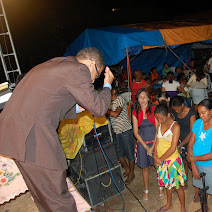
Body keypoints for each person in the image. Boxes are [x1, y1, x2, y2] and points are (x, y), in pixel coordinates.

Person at [0, 47, 114, 212]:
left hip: (15, 134)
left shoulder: (58, 63)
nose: (91, 82)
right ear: (91, 64)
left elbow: (47, 101)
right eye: (96, 75)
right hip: (32, 137)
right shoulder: (78, 69)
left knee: (45, 196)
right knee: (59, 201)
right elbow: (99, 107)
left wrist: (75, 108)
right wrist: (107, 85)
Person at [187, 99, 212, 212]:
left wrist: (192, 159)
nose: (201, 115)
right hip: (197, 164)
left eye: (203, 112)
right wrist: (193, 166)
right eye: (199, 113)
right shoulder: (198, 123)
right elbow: (190, 145)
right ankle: (204, 208)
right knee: (202, 190)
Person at [132, 88, 165, 200]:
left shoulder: (154, 109)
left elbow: (158, 129)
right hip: (143, 145)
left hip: (155, 142)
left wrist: (154, 146)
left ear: (149, 98)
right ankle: (146, 190)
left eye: (145, 97)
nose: (143, 99)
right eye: (140, 97)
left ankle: (161, 187)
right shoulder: (135, 112)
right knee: (145, 168)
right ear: (137, 99)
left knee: (158, 166)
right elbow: (136, 132)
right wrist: (146, 147)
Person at [154, 103, 187, 212]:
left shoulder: (175, 126)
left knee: (177, 186)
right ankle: (168, 204)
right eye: (157, 118)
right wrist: (155, 156)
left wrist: (160, 159)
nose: (159, 121)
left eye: (160, 118)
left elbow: (173, 148)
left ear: (168, 115)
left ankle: (183, 208)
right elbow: (157, 141)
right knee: (167, 185)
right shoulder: (159, 124)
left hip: (172, 161)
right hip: (162, 160)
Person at [107, 87, 135, 185]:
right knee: (120, 155)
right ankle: (128, 169)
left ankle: (131, 173)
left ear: (114, 91)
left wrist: (105, 109)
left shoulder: (119, 99)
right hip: (117, 132)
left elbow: (115, 114)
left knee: (130, 154)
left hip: (125, 131)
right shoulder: (108, 102)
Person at [171, 96, 197, 190]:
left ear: (182, 105)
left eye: (178, 109)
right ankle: (184, 181)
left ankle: (197, 180)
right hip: (179, 139)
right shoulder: (174, 112)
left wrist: (180, 145)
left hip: (189, 141)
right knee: (182, 162)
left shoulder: (191, 113)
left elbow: (192, 132)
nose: (177, 111)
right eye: (175, 110)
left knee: (190, 162)